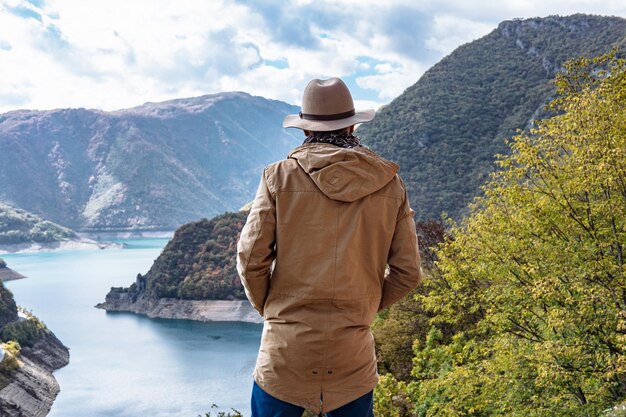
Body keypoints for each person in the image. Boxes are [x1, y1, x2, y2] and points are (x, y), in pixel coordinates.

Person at [236, 77, 422, 417]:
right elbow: (408, 272)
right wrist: (362, 308)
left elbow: (250, 260)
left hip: (285, 355)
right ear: (351, 125)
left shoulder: (278, 177)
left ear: (305, 130)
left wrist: (276, 311)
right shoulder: (390, 184)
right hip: (352, 357)